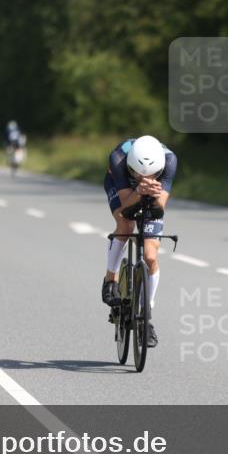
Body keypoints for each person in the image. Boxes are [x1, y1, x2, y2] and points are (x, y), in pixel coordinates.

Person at [101, 135, 178, 348]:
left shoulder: (170, 161)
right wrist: (138, 191)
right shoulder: (118, 158)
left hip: (146, 196)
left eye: (153, 175)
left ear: (160, 170)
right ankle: (110, 281)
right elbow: (126, 207)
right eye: (138, 173)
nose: (145, 177)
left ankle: (146, 315)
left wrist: (151, 195)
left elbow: (158, 208)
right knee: (125, 226)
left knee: (150, 255)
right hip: (121, 187)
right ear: (130, 167)